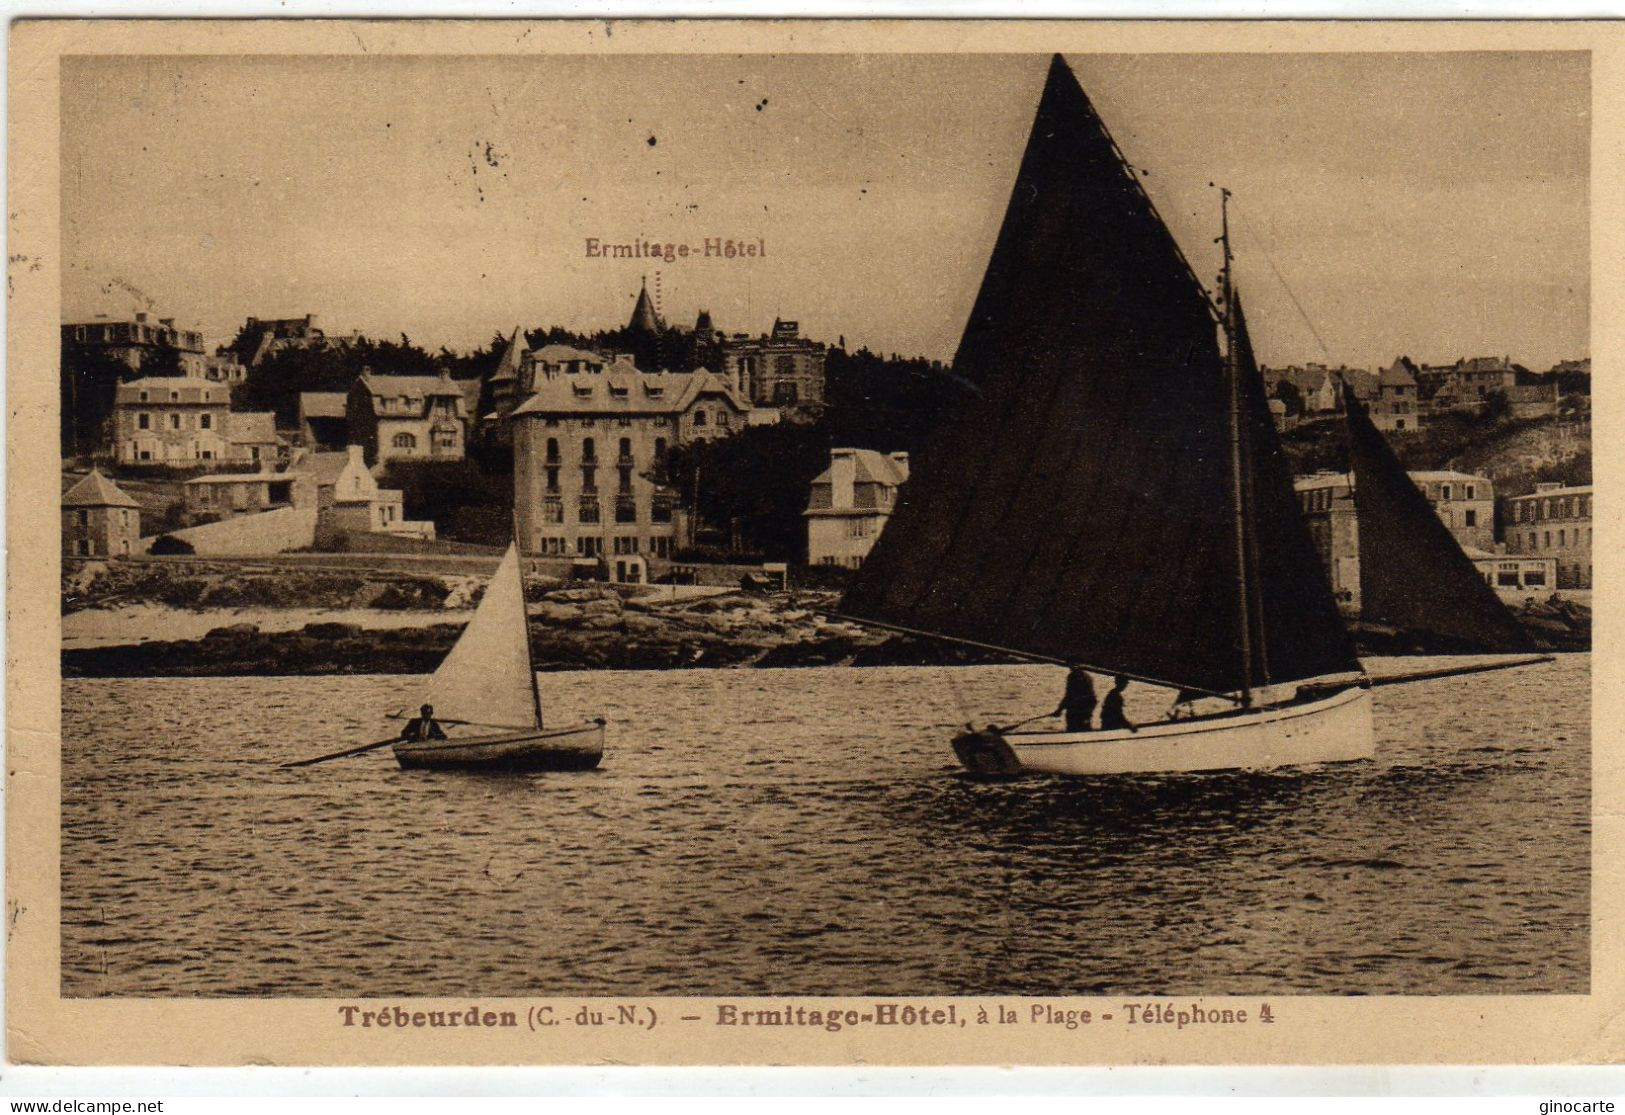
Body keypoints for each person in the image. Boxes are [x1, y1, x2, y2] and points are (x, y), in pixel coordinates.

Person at [1053, 666, 1097, 732]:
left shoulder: (1083, 678)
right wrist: (1060, 709)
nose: (1071, 667)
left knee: (1081, 727)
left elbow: (1069, 696)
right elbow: (1069, 695)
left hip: (1082, 709)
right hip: (1076, 709)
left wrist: (1060, 710)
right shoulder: (1072, 676)